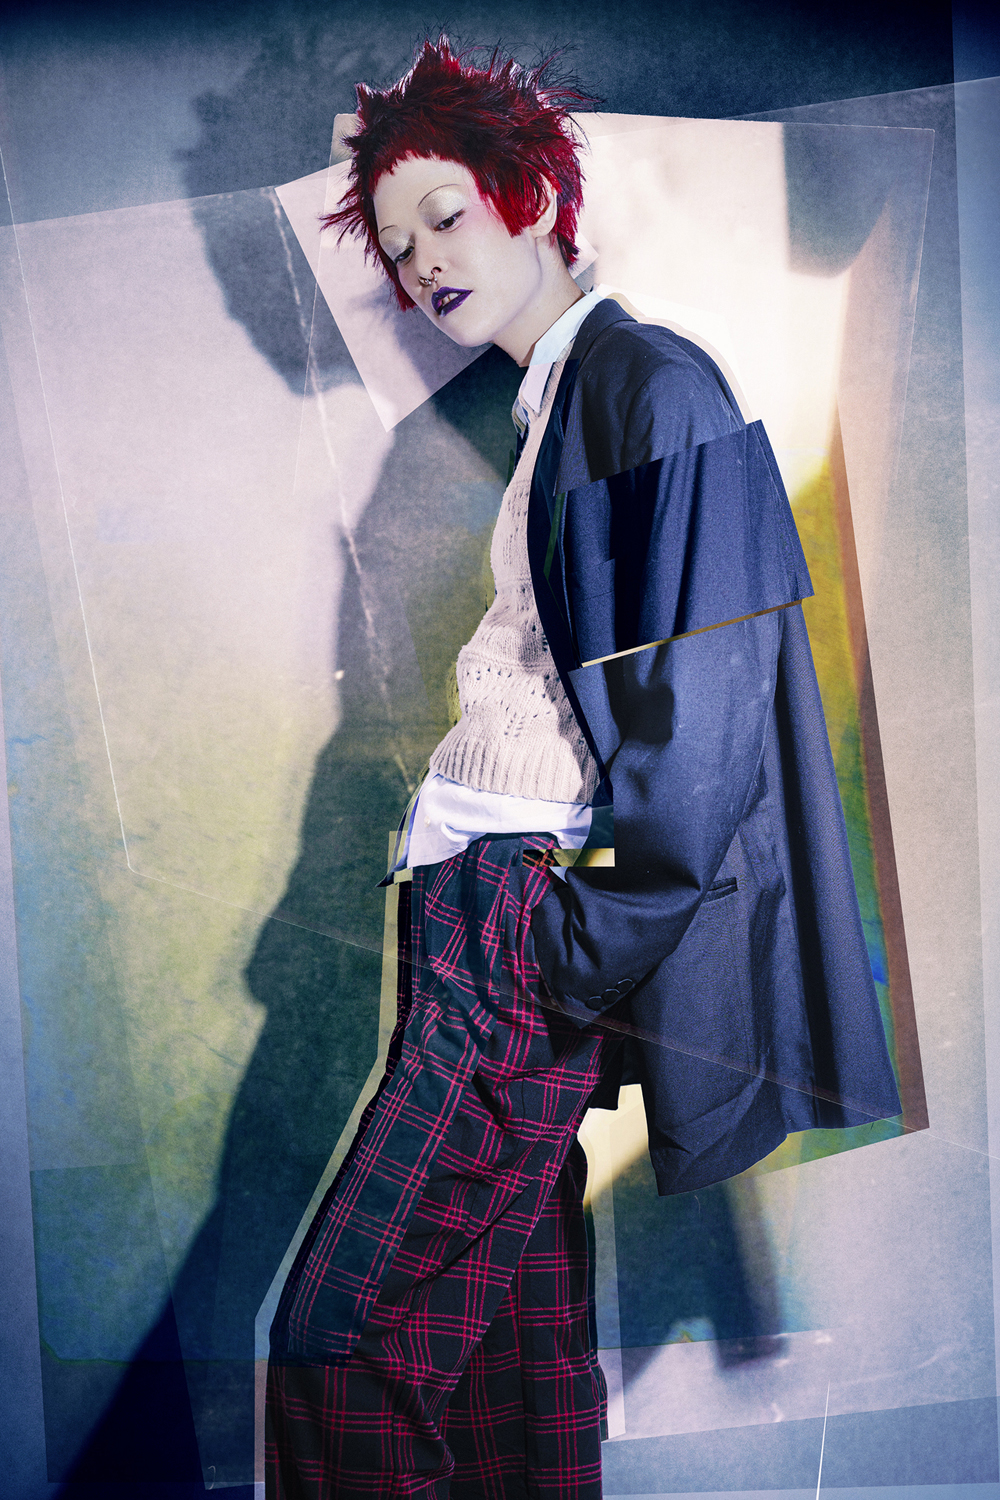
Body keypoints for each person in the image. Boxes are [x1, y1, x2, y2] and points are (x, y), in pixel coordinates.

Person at [266, 36, 901, 1498]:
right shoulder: (564, 396)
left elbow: (710, 710)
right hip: (485, 907)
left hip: (521, 916)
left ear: (534, 197)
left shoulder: (650, 381)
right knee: (509, 1365)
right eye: (398, 243)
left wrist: (567, 942)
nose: (424, 260)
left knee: (337, 1347)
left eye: (446, 214)